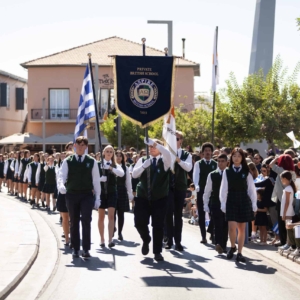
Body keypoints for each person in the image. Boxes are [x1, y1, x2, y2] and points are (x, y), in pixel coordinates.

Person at [58, 136, 101, 258]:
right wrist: (61, 185)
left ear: (86, 147)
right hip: (72, 194)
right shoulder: (68, 161)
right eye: (79, 145)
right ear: (74, 146)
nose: (81, 147)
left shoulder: (91, 161)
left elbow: (96, 180)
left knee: (86, 220)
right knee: (74, 221)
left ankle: (86, 249)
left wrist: (98, 197)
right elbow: (61, 175)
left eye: (83, 145)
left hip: (86, 194)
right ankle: (76, 248)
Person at [132, 137, 171, 261]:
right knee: (139, 223)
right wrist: (144, 166)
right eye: (150, 146)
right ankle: (146, 238)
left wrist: (156, 143)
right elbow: (134, 174)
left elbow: (167, 153)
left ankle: (157, 251)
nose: (152, 148)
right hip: (143, 196)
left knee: (158, 225)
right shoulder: (144, 160)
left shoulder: (165, 161)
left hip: (159, 198)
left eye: (155, 146)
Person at [220, 147, 257, 263]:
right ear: (231, 157)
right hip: (231, 199)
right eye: (234, 156)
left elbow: (251, 189)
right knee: (232, 227)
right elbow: (223, 189)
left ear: (242, 158)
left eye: (239, 156)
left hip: (243, 200)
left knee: (242, 228)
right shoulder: (227, 171)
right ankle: (232, 246)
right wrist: (223, 203)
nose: (236, 158)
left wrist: (254, 204)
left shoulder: (247, 172)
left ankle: (240, 252)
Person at [165, 131, 192, 251]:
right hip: (168, 187)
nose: (175, 141)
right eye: (172, 139)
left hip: (180, 187)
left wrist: (178, 160)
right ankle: (169, 240)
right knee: (168, 213)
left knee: (178, 215)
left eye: (177, 139)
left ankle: (178, 241)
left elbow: (188, 167)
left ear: (181, 141)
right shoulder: (166, 153)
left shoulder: (186, 155)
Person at [97, 145, 124, 248]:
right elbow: (93, 178)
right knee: (101, 216)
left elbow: (121, 174)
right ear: (103, 153)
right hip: (101, 193)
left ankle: (110, 239)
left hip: (112, 192)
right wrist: (100, 179)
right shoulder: (98, 164)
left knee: (111, 216)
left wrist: (111, 168)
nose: (109, 153)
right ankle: (102, 239)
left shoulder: (115, 165)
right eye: (107, 151)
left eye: (110, 152)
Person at [203, 153, 228, 254]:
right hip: (215, 203)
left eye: (223, 161)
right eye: (219, 161)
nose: (220, 163)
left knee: (225, 225)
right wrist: (205, 204)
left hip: (227, 203)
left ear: (227, 162)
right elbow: (207, 190)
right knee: (217, 224)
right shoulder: (212, 174)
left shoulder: (229, 173)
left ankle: (224, 245)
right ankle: (218, 243)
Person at [193, 142, 217, 243]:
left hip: (212, 192)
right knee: (202, 214)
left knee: (214, 213)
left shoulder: (215, 164)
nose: (207, 152)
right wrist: (197, 186)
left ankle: (212, 233)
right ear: (203, 152)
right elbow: (196, 176)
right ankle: (203, 236)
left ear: (211, 152)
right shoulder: (199, 164)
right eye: (206, 151)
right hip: (202, 191)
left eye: (209, 151)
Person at [269, 154, 296, 247]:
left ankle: (284, 241)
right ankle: (289, 242)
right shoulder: (293, 172)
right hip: (291, 199)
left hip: (282, 199)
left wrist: (277, 158)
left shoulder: (281, 171)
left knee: (282, 221)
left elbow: (271, 165)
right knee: (288, 221)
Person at [115, 150, 133, 240]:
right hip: (113, 190)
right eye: (117, 155)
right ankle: (113, 227)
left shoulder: (125, 168)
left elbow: (128, 182)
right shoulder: (111, 166)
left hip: (122, 190)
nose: (118, 157)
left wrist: (130, 193)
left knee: (121, 214)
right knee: (112, 212)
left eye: (120, 156)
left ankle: (120, 232)